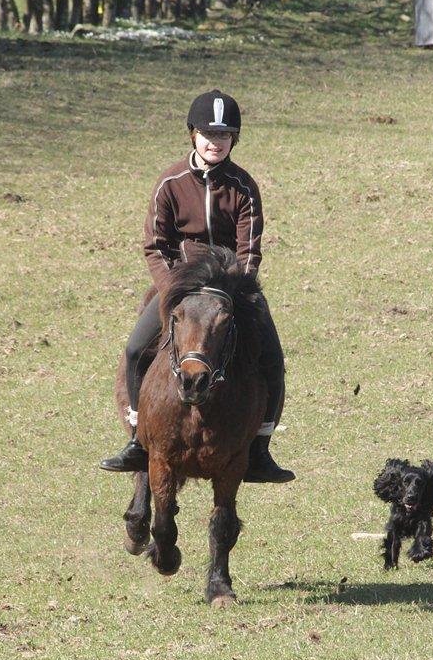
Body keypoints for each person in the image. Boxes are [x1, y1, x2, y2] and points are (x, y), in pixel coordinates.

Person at [99, 89, 294, 483]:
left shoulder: (244, 187)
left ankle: (260, 446)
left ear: (233, 141)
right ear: (192, 135)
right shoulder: (169, 183)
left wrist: (233, 292)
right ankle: (139, 439)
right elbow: (156, 244)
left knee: (272, 356)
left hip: (231, 292)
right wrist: (173, 289)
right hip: (179, 289)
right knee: (137, 349)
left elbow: (249, 251)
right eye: (208, 134)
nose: (215, 143)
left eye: (223, 137)